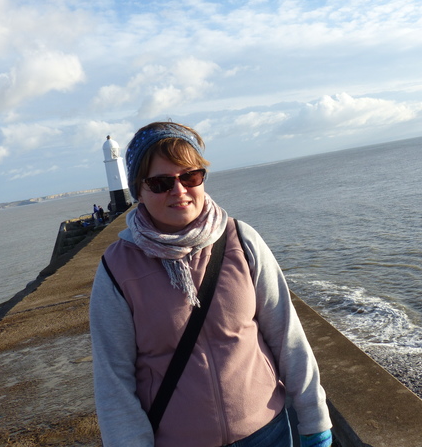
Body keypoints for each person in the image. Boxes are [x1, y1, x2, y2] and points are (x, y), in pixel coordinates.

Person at [90, 122, 333, 447]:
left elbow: (287, 336)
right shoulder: (117, 268)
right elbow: (113, 382)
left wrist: (314, 421)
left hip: (269, 433)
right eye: (161, 182)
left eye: (190, 176)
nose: (178, 191)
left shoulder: (241, 240)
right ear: (139, 191)